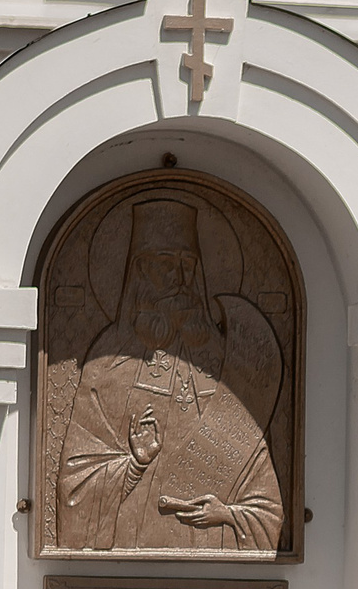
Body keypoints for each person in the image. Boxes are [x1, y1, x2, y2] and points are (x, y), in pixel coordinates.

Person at [56, 197, 286, 553]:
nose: (181, 279)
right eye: (167, 264)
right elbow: (75, 485)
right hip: (128, 552)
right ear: (140, 270)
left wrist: (228, 514)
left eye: (188, 265)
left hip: (215, 559)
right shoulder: (107, 364)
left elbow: (267, 505)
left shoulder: (225, 366)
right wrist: (134, 464)